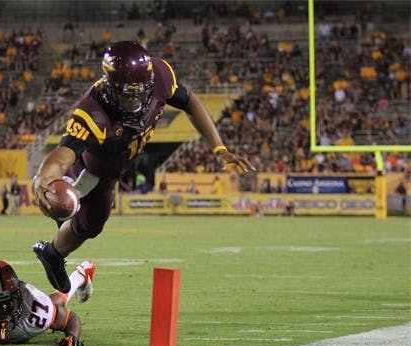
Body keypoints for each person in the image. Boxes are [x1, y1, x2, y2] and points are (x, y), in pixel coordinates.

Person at [32, 41, 255, 293]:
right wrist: (44, 177)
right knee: (69, 208)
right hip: (89, 171)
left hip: (114, 168)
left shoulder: (159, 77)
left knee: (94, 225)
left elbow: (189, 101)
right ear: (110, 86)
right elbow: (64, 153)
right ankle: (53, 253)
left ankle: (56, 250)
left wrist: (219, 148)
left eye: (141, 91)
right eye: (128, 94)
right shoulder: (92, 111)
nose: (136, 100)